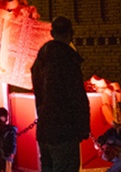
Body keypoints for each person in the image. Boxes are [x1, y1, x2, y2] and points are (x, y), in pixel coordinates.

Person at [30, 15, 90, 172]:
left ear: (51, 33)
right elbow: (76, 95)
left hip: (45, 128)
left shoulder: (41, 59)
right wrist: (83, 126)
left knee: (48, 166)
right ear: (71, 33)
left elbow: (39, 93)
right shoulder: (67, 59)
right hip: (65, 130)